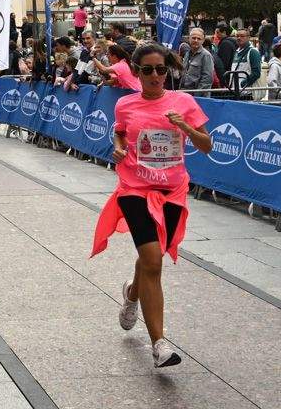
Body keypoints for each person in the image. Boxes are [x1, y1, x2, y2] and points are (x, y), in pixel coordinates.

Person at [91, 43, 212, 369]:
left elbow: (207, 145)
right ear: (137, 72)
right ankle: (159, 345)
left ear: (168, 70)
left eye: (161, 69)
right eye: (148, 70)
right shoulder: (126, 105)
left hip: (172, 191)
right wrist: (117, 148)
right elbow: (119, 135)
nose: (155, 76)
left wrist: (185, 127)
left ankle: (132, 294)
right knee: (153, 261)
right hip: (135, 189)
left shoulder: (183, 102)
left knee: (151, 258)